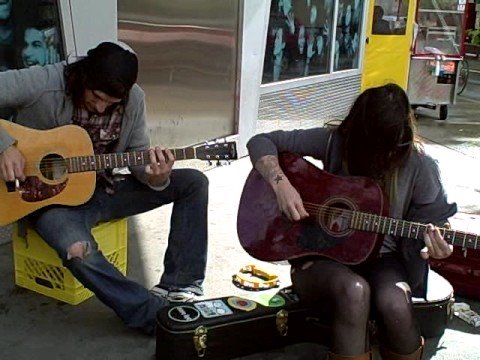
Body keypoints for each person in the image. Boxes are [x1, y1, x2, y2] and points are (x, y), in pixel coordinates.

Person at [0, 42, 209, 335]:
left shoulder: (134, 99)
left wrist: (156, 177)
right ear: (83, 77)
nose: (101, 107)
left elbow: (139, 158)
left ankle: (181, 285)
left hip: (105, 189)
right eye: (97, 97)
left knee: (194, 183)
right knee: (79, 252)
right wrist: (5, 146)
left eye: (111, 103)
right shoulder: (45, 81)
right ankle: (151, 315)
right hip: (48, 201)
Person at [246, 83, 457, 359]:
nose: (381, 157)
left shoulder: (421, 166)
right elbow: (260, 141)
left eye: (388, 148)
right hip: (322, 257)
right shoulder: (336, 141)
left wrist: (439, 246)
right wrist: (281, 183)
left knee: (395, 303)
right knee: (354, 292)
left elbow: (438, 223)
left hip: (385, 261)